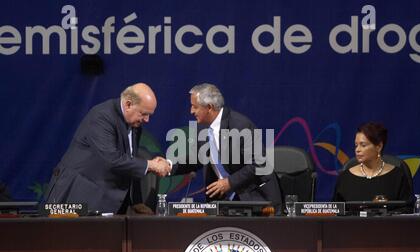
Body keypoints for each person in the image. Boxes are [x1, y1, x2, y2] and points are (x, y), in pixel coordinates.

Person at [44, 83, 170, 214]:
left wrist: (135, 201)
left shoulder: (134, 123)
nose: (147, 119)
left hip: (110, 202)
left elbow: (129, 160)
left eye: (149, 115)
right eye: (144, 113)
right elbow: (112, 159)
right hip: (80, 197)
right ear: (128, 104)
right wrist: (151, 165)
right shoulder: (102, 116)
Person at [167, 83, 282, 211]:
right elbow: (196, 159)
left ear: (209, 107)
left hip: (257, 198)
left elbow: (259, 163)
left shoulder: (239, 125)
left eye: (195, 107)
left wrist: (229, 183)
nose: (191, 111)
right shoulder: (203, 128)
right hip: (226, 201)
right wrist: (168, 165)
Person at [332, 122, 413, 207]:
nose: (357, 150)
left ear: (379, 147)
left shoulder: (398, 176)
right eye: (356, 145)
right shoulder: (345, 178)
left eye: (363, 145)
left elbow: (407, 210)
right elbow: (335, 211)